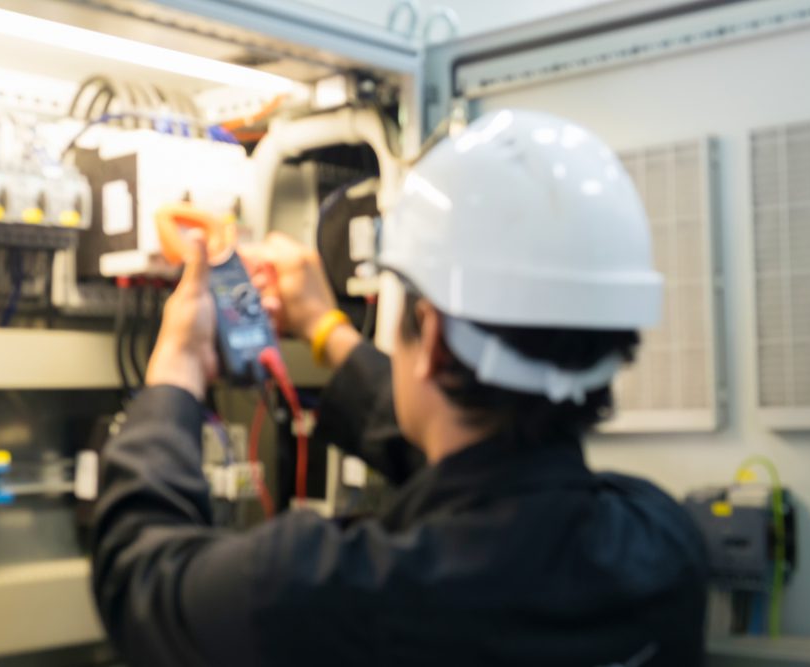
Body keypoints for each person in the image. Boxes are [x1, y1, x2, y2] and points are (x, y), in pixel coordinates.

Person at [91, 110, 708, 666]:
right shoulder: (664, 543)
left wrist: (177, 365)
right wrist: (326, 328)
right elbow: (488, 478)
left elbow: (140, 579)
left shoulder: (336, 596)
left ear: (432, 338)